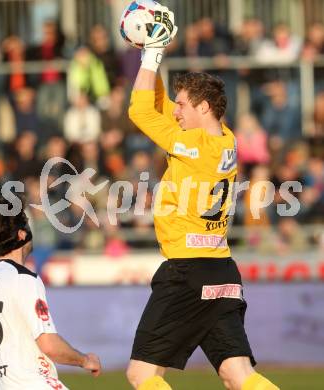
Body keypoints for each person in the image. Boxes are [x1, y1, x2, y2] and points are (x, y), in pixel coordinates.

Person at [125, 5, 279, 390]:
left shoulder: (191, 144)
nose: (175, 111)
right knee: (238, 375)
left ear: (204, 107)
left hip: (187, 271)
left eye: (183, 105)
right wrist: (153, 61)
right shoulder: (225, 140)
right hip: (222, 269)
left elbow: (140, 110)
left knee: (141, 375)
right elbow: (158, 107)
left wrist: (153, 54)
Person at [0, 196, 101, 389]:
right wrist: (85, 360)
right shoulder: (23, 278)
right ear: (21, 234)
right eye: (26, 223)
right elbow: (49, 345)